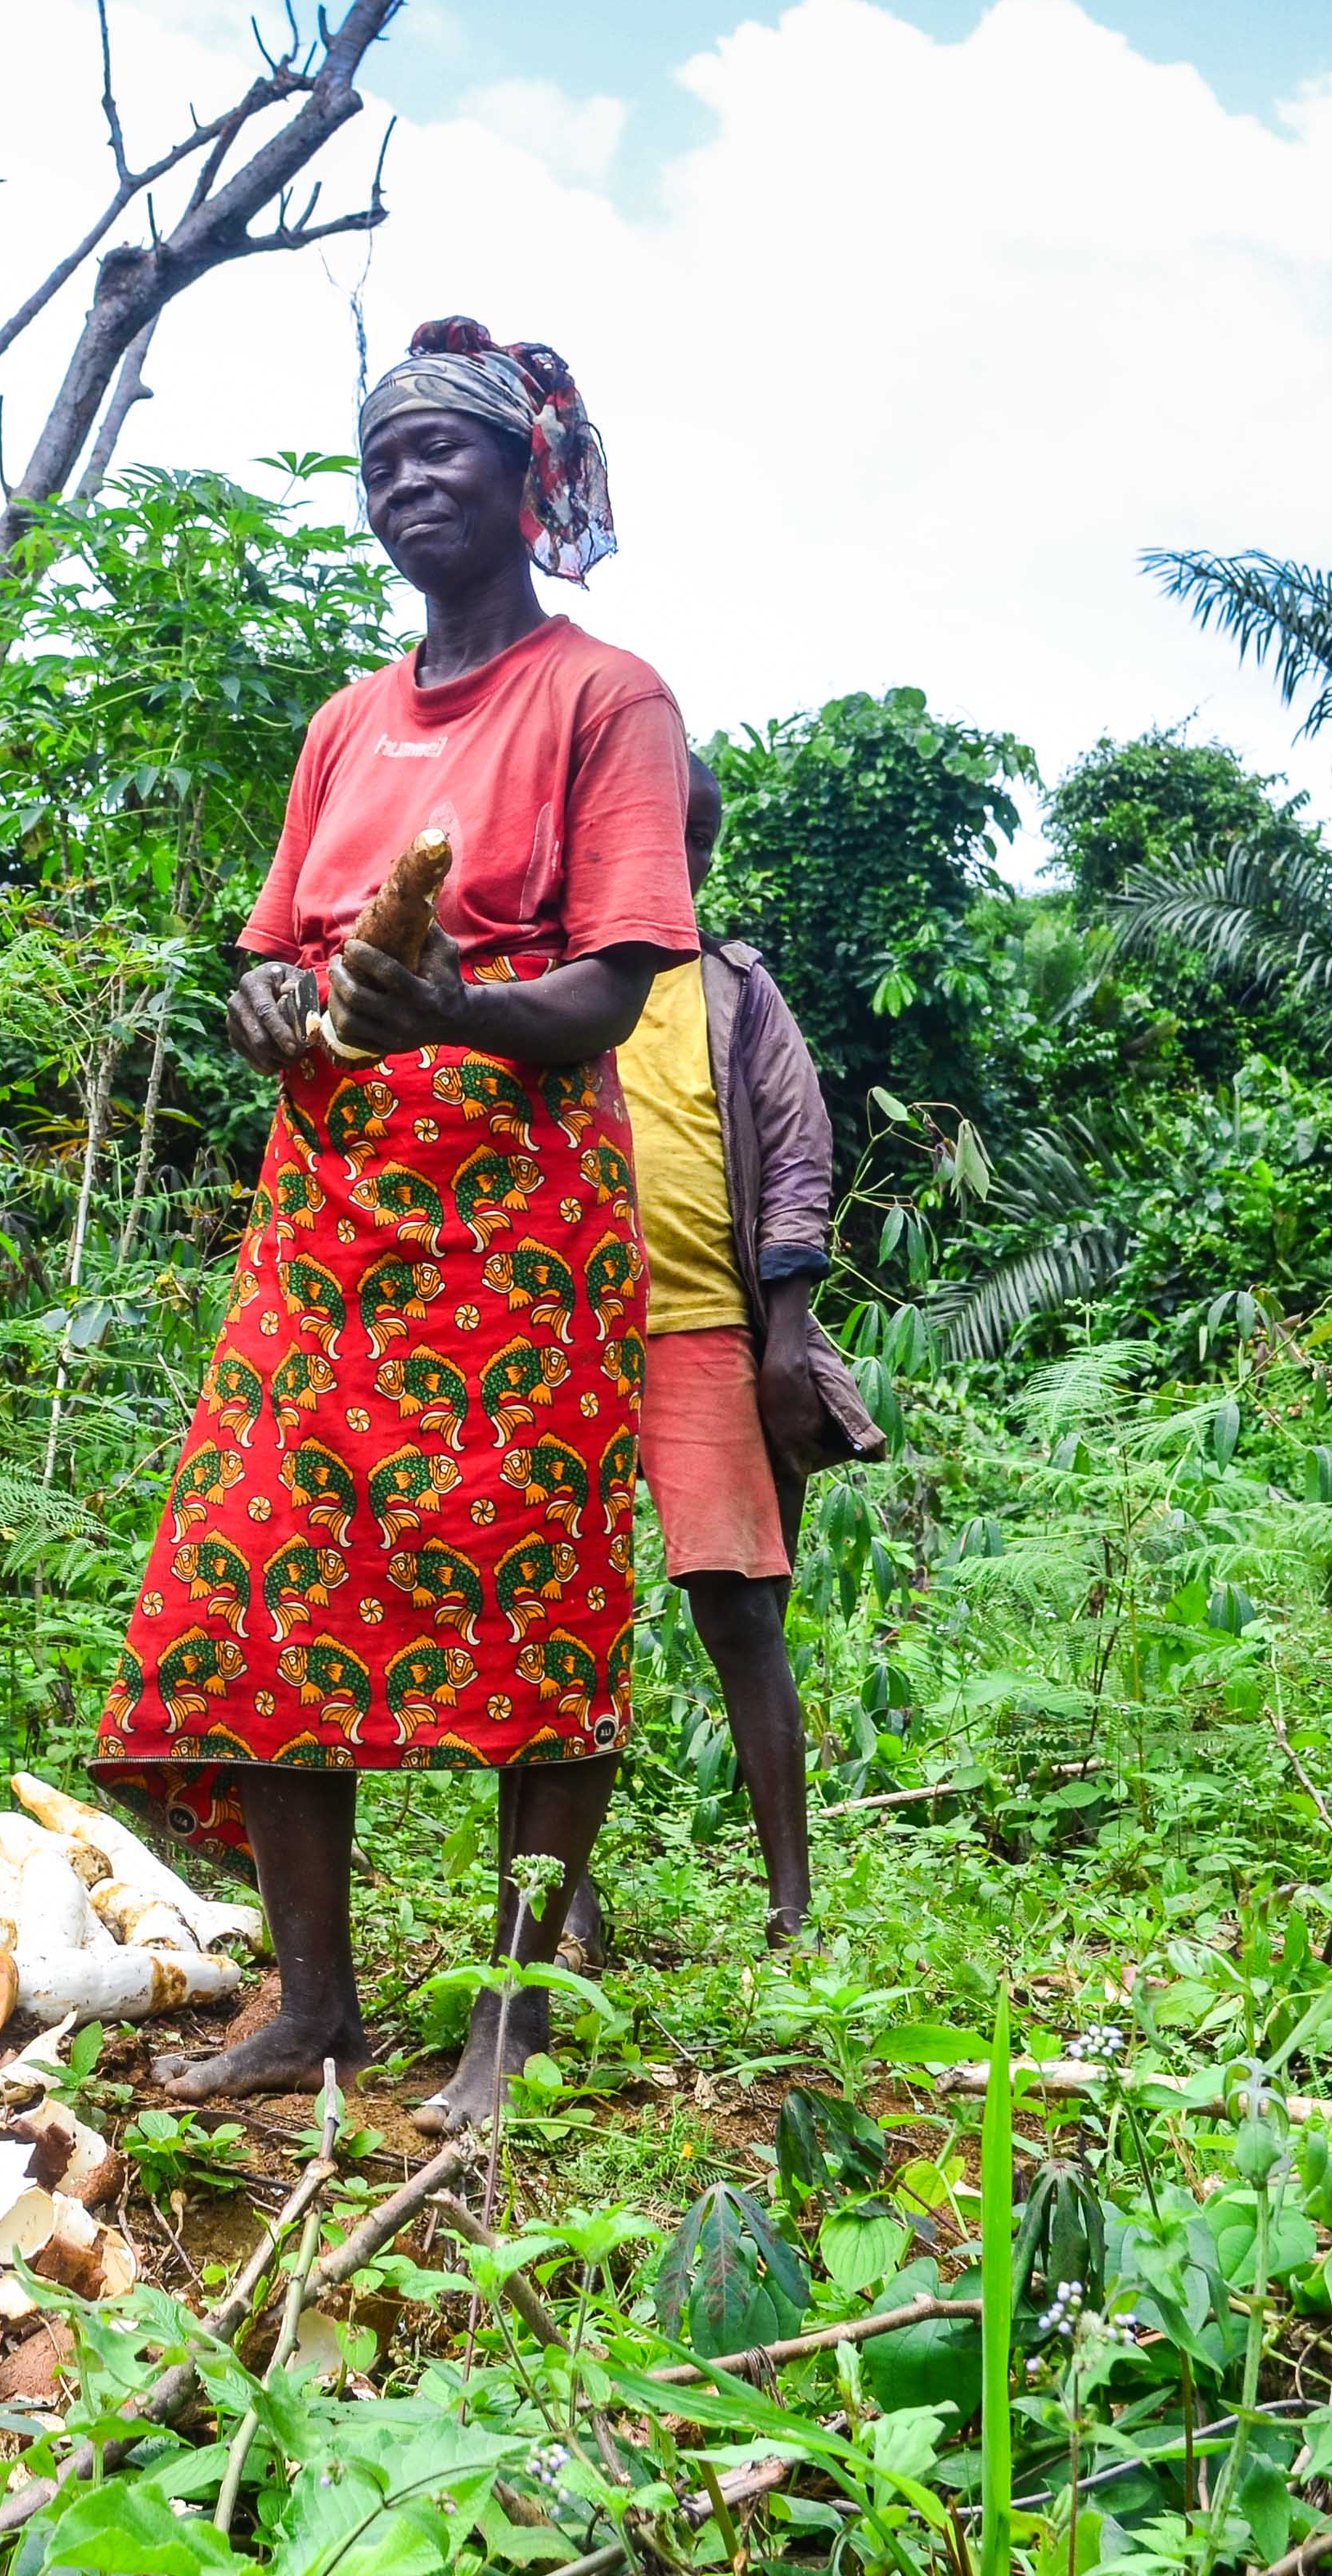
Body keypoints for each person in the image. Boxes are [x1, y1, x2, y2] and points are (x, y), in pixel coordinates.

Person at [95, 314, 694, 2137]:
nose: (408, 480)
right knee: (257, 1572)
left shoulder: (610, 700)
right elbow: (272, 955)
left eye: (444, 451)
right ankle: (318, 2010)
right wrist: (271, 1008)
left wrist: (445, 1015)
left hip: (519, 1214)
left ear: (531, 481)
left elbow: (606, 993)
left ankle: (507, 2028)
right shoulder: (344, 723)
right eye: (382, 461)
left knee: (533, 1598)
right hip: (330, 1208)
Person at [562, 754, 885, 1962]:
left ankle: (792, 1907)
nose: (677, 864)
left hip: (704, 1331)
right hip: (560, 1336)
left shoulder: (737, 991)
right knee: (553, 1616)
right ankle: (565, 1902)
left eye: (694, 841)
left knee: (741, 1608)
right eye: (656, 838)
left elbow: (799, 1156)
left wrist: (787, 1340)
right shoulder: (543, 978)